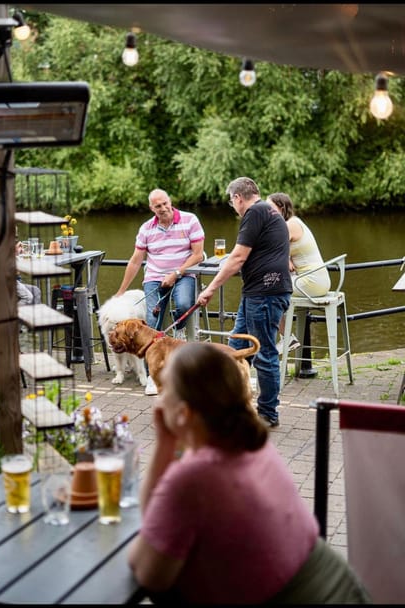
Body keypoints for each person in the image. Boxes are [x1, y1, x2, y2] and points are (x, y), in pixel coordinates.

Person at [128, 342, 371, 604]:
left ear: (184, 413)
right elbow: (156, 516)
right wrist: (166, 442)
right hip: (340, 585)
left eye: (165, 388)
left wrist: (164, 443)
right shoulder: (249, 440)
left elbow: (148, 572)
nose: (159, 398)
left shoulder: (195, 475)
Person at [197, 176, 291, 427]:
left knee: (265, 353)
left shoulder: (254, 212)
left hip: (264, 294)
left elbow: (238, 257)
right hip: (260, 292)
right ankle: (231, 404)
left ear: (238, 197)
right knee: (235, 350)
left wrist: (210, 288)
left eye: (232, 202)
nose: (234, 207)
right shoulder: (272, 211)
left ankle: (268, 414)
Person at [116, 188, 205, 396]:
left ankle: (179, 331)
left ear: (170, 200)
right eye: (158, 206)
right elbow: (136, 260)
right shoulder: (146, 228)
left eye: (166, 203)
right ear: (151, 208)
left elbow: (198, 255)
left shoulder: (190, 220)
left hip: (183, 274)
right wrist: (121, 291)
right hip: (154, 277)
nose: (164, 208)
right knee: (151, 323)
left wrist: (176, 273)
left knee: (183, 304)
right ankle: (152, 378)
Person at [267, 192, 331, 354]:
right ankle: (284, 337)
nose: (267, 211)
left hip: (311, 281)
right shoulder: (293, 222)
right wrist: (286, 257)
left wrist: (285, 257)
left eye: (270, 207)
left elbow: (271, 249)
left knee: (269, 291)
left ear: (281, 208)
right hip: (315, 278)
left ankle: (285, 338)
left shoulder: (290, 225)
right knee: (272, 286)